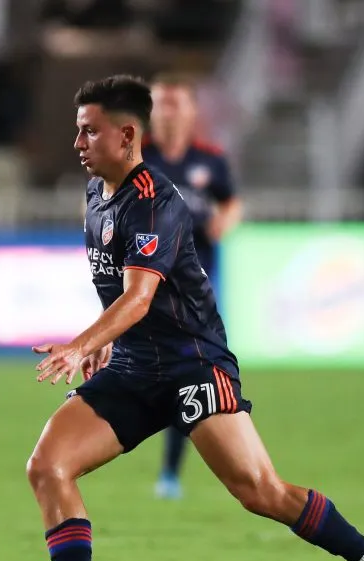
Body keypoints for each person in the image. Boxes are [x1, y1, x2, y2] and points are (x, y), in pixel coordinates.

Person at [9, 75, 364, 561]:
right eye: (77, 131)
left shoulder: (155, 202)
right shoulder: (95, 196)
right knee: (48, 465)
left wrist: (80, 342)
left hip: (191, 364)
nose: (77, 142)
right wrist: (104, 341)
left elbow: (140, 296)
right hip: (134, 366)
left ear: (126, 134)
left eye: (88, 131)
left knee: (260, 491)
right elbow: (117, 290)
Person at [142, 72, 241, 499]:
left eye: (175, 103)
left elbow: (230, 201)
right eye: (160, 103)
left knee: (187, 376)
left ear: (191, 111)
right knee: (168, 374)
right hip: (147, 286)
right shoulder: (136, 156)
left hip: (195, 288)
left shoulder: (210, 160)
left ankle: (170, 472)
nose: (167, 111)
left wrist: (225, 221)